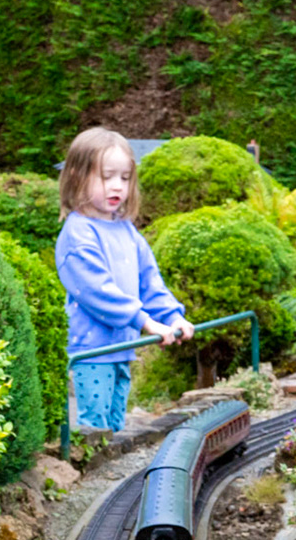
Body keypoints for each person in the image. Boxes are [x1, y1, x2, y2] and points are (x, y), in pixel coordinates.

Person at [54, 128, 194, 433]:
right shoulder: (78, 234)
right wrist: (145, 321)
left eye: (125, 177)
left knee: (116, 425)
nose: (117, 186)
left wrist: (171, 315)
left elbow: (150, 283)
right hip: (93, 351)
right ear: (77, 176)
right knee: (95, 430)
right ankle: (92, 479)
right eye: (106, 177)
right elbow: (97, 291)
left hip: (123, 347)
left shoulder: (127, 231)